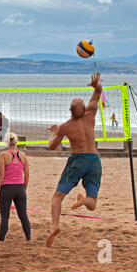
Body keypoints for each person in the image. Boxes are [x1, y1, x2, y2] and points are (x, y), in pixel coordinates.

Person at [45, 73, 103, 247]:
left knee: (57, 197)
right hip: (94, 160)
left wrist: (54, 131)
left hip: (78, 160)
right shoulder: (90, 115)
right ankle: (85, 200)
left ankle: (55, 226)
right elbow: (98, 95)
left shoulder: (65, 126)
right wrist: (96, 86)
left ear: (70, 111)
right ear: (84, 108)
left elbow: (52, 146)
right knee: (93, 203)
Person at [0, 132, 30, 242]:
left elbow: (1, 173)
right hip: (20, 188)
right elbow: (27, 174)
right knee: (23, 215)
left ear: (6, 142)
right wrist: (24, 187)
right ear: (16, 142)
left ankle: (1, 240)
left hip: (7, 188)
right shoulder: (23, 155)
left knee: (5, 217)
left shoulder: (3, 155)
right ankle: (28, 238)